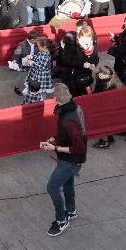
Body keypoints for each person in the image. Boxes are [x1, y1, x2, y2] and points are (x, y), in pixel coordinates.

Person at [40, 84, 87, 237]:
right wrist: (52, 140)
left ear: (56, 99)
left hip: (71, 160)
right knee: (68, 183)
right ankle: (71, 211)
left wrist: (54, 148)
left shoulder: (68, 119)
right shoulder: (73, 109)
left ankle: (61, 220)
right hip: (69, 159)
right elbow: (63, 133)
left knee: (52, 188)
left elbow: (78, 148)